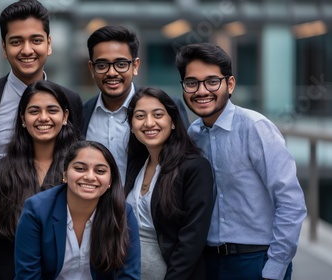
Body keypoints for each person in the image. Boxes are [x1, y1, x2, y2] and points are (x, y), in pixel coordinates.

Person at [175, 42, 307, 280]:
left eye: (212, 81)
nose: (202, 90)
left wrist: (275, 267)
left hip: (255, 261)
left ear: (230, 84)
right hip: (207, 261)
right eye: (192, 82)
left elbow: (291, 202)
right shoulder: (193, 134)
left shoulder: (255, 128)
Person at [0, 80, 82, 279]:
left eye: (52, 110)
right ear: (22, 118)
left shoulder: (79, 173)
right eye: (34, 111)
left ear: (65, 116)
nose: (43, 118)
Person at [0, 0, 83, 175]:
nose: (27, 50)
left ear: (48, 44)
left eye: (36, 40)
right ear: (4, 47)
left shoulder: (71, 100)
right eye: (16, 42)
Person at [15, 140, 140, 279]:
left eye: (100, 171)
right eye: (80, 169)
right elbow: (27, 276)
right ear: (65, 174)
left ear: (110, 181)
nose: (90, 177)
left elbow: (128, 275)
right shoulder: (37, 210)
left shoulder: (123, 212)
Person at [124, 87, 214, 279]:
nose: (149, 123)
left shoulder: (194, 167)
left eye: (158, 115)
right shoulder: (136, 163)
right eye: (140, 116)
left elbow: (191, 240)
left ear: (172, 122)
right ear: (132, 125)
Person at [83, 25, 189, 184]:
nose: (112, 73)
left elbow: (186, 165)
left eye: (121, 64)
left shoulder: (167, 108)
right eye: (102, 65)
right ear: (92, 69)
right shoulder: (81, 113)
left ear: (136, 66)